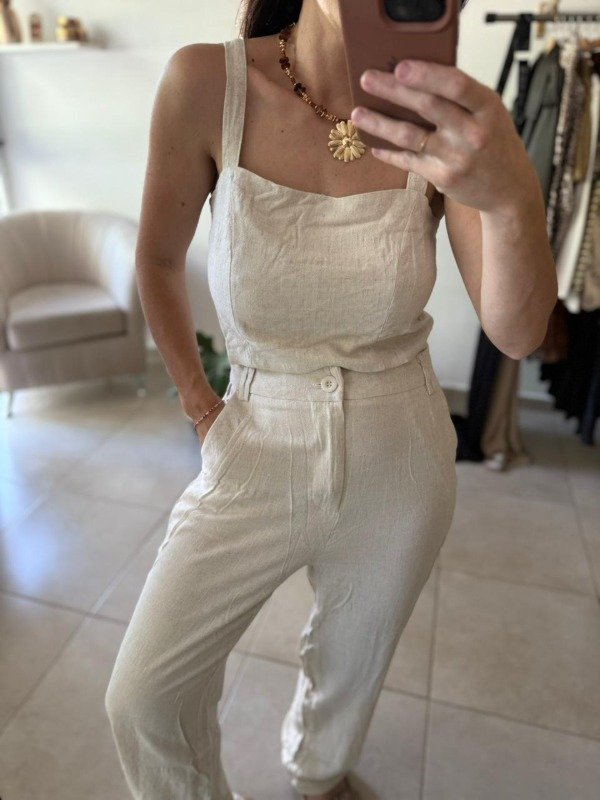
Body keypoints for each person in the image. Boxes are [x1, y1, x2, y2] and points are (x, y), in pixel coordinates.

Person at [104, 1, 558, 799]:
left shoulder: (443, 115)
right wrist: (202, 407)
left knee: (355, 654)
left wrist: (513, 195)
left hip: (403, 447)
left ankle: (318, 772)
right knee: (143, 698)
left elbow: (517, 334)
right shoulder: (207, 83)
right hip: (257, 432)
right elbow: (158, 261)